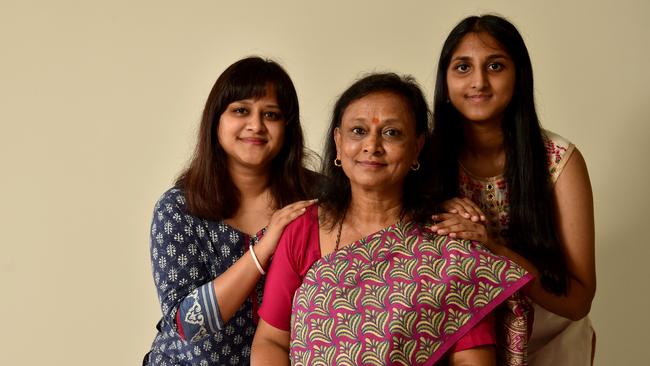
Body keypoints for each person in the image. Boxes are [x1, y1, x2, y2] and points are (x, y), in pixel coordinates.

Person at [250, 73, 532, 365]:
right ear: (338, 141)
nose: (372, 145)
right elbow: (271, 340)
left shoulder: (449, 246)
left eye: (391, 133)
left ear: (417, 147)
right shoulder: (302, 228)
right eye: (358, 131)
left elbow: (472, 360)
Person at [428, 15, 596, 365]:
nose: (478, 81)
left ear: (519, 75)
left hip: (550, 339)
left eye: (495, 66)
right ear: (445, 80)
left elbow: (579, 300)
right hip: (461, 340)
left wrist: (492, 248)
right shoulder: (423, 158)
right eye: (462, 67)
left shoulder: (559, 161)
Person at [144, 56, 319, 365]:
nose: (256, 125)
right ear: (217, 121)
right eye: (241, 110)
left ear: (287, 127)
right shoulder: (178, 209)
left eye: (271, 114)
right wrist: (264, 248)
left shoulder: (317, 198)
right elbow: (188, 323)